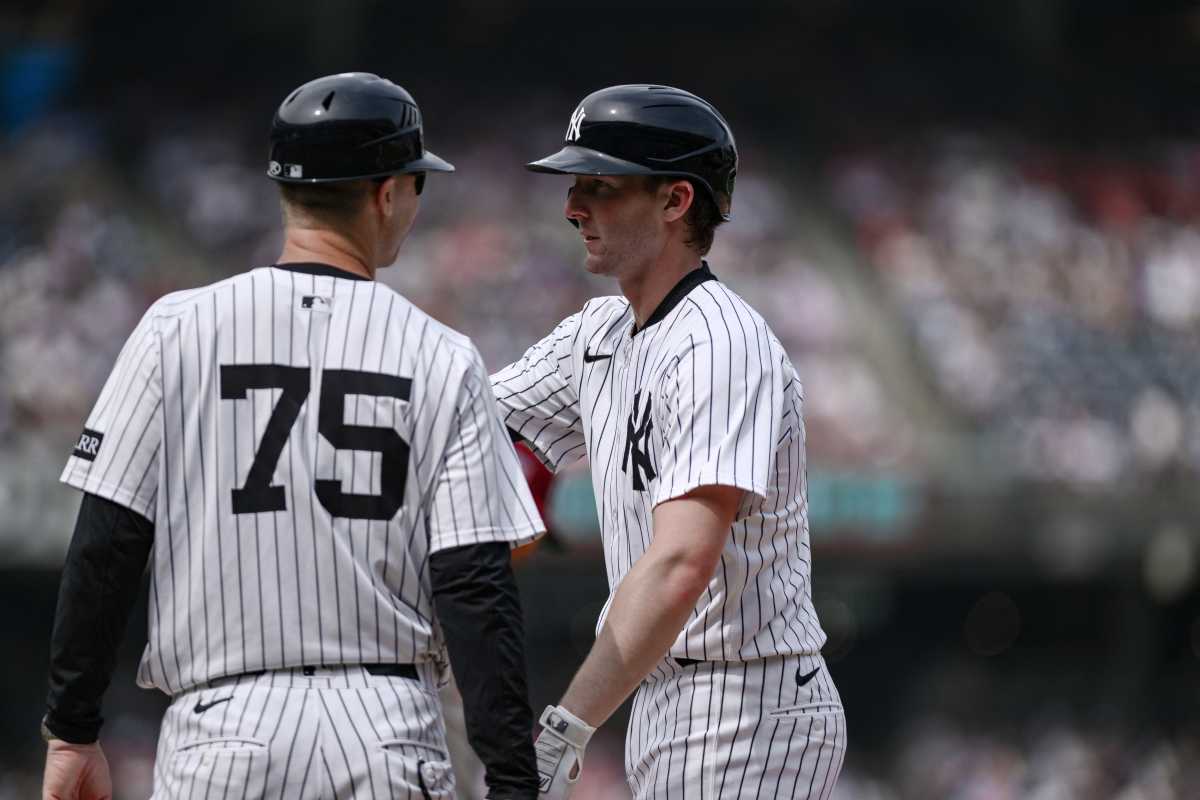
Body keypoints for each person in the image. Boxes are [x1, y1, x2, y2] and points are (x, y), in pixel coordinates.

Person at [42, 72, 544, 800]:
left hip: (220, 733)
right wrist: (512, 779)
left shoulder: (175, 328)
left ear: (285, 189)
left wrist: (72, 728)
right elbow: (475, 586)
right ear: (386, 194)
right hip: (385, 731)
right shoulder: (443, 355)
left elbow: (105, 545)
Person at [492, 84, 847, 799]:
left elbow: (683, 561)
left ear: (676, 200)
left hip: (749, 704)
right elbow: (457, 422)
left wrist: (565, 728)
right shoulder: (599, 332)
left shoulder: (721, 343)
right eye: (574, 185)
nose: (573, 206)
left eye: (600, 185)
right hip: (666, 698)